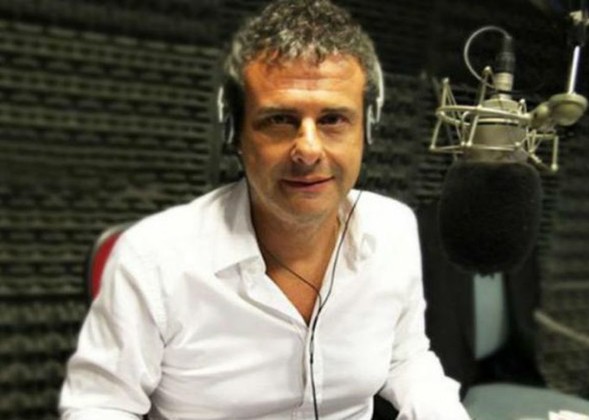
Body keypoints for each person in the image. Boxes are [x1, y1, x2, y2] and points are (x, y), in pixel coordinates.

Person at [59, 1, 470, 419]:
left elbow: (405, 357)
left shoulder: (393, 228)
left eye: (332, 119)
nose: (308, 149)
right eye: (279, 120)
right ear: (234, 133)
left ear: (367, 130)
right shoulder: (152, 259)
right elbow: (101, 406)